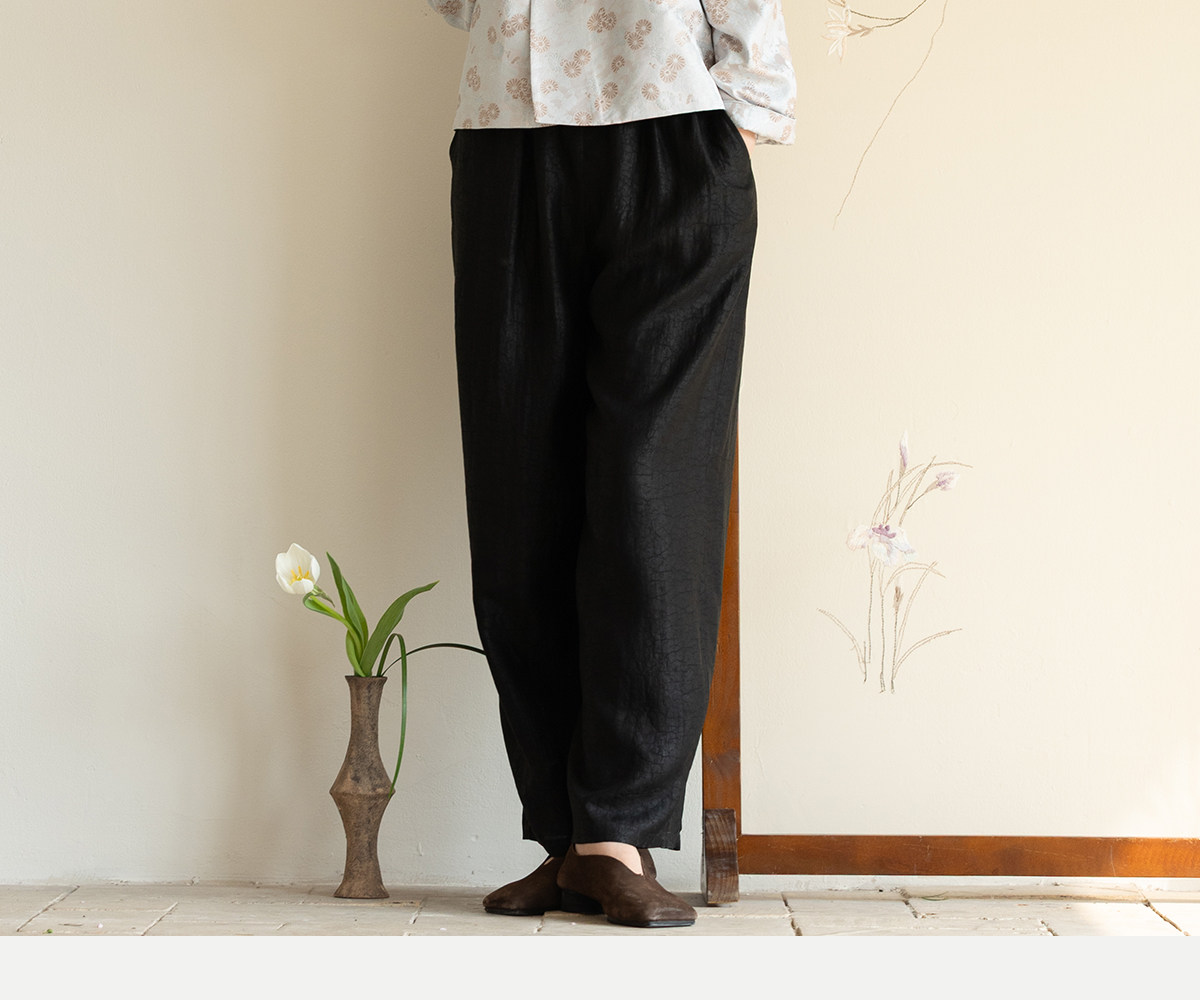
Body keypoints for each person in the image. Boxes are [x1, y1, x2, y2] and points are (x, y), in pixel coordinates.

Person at [428, 0, 796, 928]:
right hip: (506, 135)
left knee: (649, 493)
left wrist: (737, 123)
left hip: (669, 129)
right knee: (517, 497)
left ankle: (618, 833)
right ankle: (567, 839)